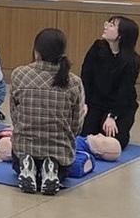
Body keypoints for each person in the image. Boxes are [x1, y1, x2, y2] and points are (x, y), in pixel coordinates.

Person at [10, 28, 86, 195]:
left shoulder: (18, 74)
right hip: (60, 152)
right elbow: (75, 127)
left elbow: (15, 116)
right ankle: (51, 165)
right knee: (70, 165)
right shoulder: (74, 82)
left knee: (15, 153)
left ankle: (28, 162)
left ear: (36, 51)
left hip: (23, 147)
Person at [81, 16, 140, 150]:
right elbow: (86, 77)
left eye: (111, 25)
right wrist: (84, 102)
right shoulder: (97, 48)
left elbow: (125, 91)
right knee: (84, 134)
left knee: (114, 141)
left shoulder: (132, 61)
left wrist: (112, 116)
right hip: (96, 102)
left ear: (121, 35)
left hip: (119, 106)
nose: (106, 26)